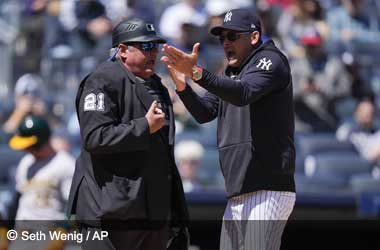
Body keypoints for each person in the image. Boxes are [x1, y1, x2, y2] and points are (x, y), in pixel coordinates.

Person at [161, 8, 296, 250]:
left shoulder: (271, 59)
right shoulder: (232, 72)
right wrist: (183, 87)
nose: (225, 43)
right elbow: (205, 113)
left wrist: (196, 72)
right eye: (222, 38)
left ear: (253, 37)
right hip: (238, 189)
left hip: (267, 186)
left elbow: (243, 93)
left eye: (233, 36)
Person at [67, 17, 189, 250]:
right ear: (122, 50)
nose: (152, 52)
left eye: (155, 46)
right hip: (110, 211)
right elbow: (95, 137)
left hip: (150, 210)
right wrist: (143, 126)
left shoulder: (155, 84)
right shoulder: (101, 80)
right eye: (145, 46)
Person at [2, 115, 75, 250]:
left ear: (39, 142)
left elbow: (73, 206)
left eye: (29, 145)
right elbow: (16, 199)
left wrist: (61, 233)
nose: (25, 149)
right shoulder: (26, 163)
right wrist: (5, 229)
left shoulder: (65, 164)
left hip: (47, 232)